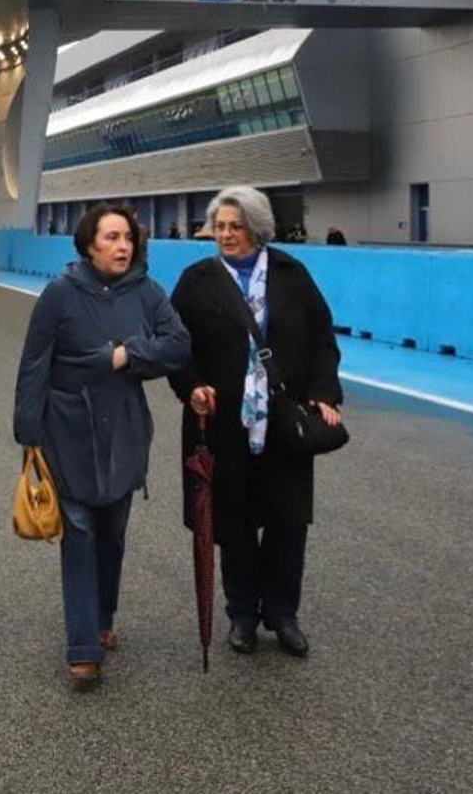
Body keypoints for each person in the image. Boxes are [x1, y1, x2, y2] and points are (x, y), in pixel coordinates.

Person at [13, 203, 191, 687]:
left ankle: (104, 616)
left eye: (127, 238)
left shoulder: (148, 293)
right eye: (111, 237)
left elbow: (178, 346)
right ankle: (83, 646)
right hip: (66, 428)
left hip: (125, 429)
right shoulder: (59, 295)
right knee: (80, 532)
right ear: (89, 244)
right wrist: (28, 432)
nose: (122, 246)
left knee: (112, 532)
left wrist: (126, 355)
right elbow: (35, 364)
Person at [167, 186, 344, 659]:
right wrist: (191, 388)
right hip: (223, 423)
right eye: (220, 226)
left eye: (235, 226)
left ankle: (283, 614)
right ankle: (242, 612)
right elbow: (173, 345)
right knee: (235, 519)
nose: (225, 234)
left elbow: (323, 337)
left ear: (258, 229)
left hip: (285, 422)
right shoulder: (196, 281)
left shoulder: (291, 274)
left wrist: (325, 394)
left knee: (288, 521)